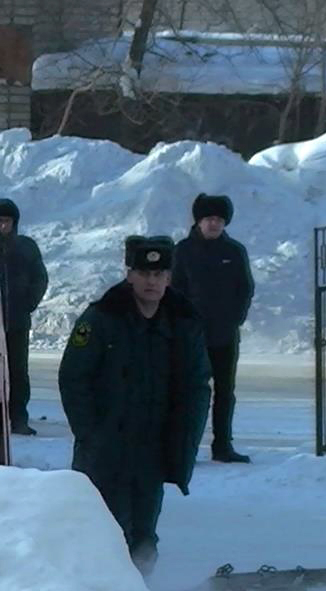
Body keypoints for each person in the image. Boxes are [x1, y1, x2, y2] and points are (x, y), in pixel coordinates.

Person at [58, 235, 212, 571]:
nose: (151, 281)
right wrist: (90, 434)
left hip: (153, 449)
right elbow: (73, 377)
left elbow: (198, 385)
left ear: (169, 278)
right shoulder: (101, 318)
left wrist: (186, 436)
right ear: (129, 275)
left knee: (144, 536)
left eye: (159, 274)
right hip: (106, 448)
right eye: (143, 273)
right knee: (104, 531)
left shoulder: (183, 322)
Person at [172, 193, 256, 463]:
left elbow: (245, 288)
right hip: (192, 336)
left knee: (224, 392)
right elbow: (174, 290)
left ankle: (223, 446)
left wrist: (236, 318)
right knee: (190, 392)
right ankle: (184, 446)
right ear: (199, 221)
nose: (214, 224)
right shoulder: (183, 251)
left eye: (219, 220)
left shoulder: (234, 252)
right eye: (209, 219)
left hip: (225, 334)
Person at [0, 198, 48, 434]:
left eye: (7, 221)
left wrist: (29, 303)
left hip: (18, 322)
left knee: (18, 372)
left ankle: (19, 418)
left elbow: (40, 277)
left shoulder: (26, 247)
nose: (3, 226)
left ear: (14, 222)